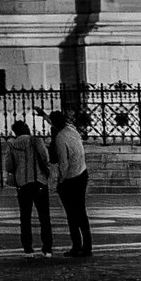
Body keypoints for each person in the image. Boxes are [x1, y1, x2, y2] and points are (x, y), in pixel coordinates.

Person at [4, 118, 53, 259]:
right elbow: (45, 157)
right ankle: (47, 248)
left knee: (25, 217)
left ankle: (28, 248)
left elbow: (9, 166)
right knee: (44, 217)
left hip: (22, 183)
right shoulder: (36, 140)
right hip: (39, 181)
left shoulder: (12, 144)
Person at [49, 110, 93, 259]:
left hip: (70, 178)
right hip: (82, 172)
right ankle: (87, 246)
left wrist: (60, 182)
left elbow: (63, 163)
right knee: (81, 212)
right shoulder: (72, 131)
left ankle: (76, 246)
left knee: (71, 214)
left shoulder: (60, 138)